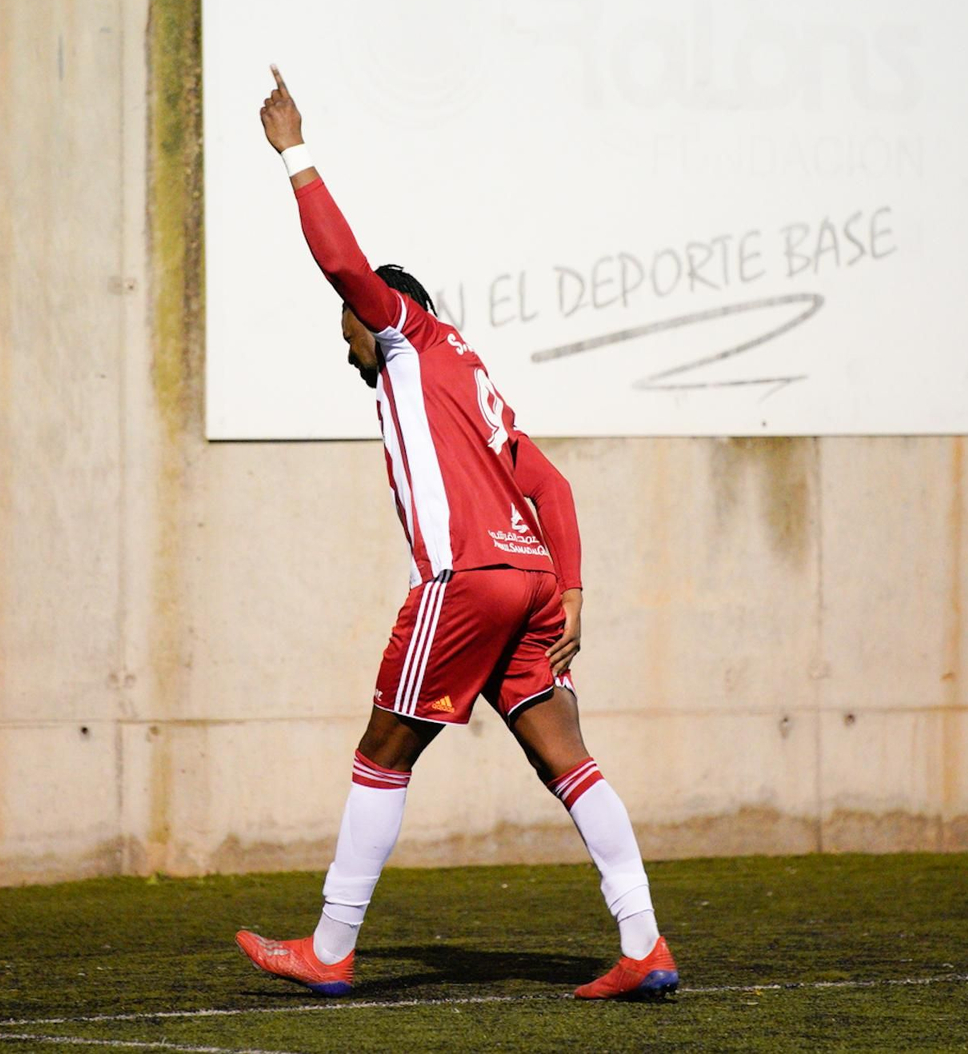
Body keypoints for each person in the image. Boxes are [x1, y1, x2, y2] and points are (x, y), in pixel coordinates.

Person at [234, 69, 678, 1001]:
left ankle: (330, 946)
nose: (344, 340)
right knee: (570, 761)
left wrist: (293, 153)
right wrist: (576, 590)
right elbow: (546, 482)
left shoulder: (405, 334)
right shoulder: (465, 370)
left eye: (347, 324)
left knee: (381, 754)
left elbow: (346, 266)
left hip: (466, 578)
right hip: (531, 580)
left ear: (380, 313)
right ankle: (645, 944)